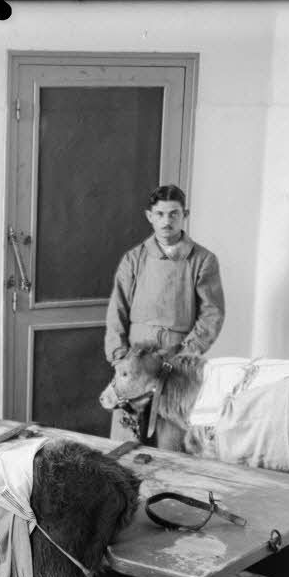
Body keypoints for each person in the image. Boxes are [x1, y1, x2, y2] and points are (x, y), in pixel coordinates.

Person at [102, 184, 224, 448]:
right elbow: (117, 309)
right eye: (160, 214)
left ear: (185, 215)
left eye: (173, 214)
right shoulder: (134, 259)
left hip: (175, 363)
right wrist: (119, 357)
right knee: (126, 443)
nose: (166, 221)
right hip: (134, 360)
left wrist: (185, 353)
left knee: (172, 444)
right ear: (150, 216)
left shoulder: (203, 260)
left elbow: (212, 313)